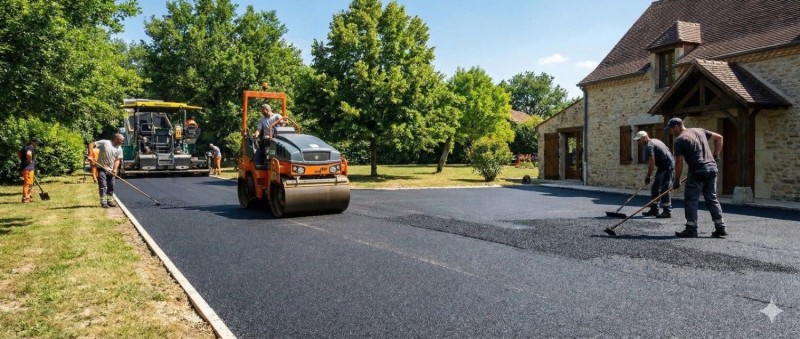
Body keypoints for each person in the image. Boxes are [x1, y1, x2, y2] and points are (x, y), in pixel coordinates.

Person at [665, 117, 727, 238]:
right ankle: (720, 227)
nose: (671, 132)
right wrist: (715, 155)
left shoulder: (680, 140)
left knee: (691, 199)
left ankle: (691, 228)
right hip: (712, 168)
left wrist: (676, 179)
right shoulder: (700, 130)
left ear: (676, 127)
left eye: (671, 129)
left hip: (697, 170)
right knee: (712, 198)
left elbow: (679, 162)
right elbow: (719, 138)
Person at [633, 130, 675, 218]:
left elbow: (652, 163)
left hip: (667, 166)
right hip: (663, 166)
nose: (638, 142)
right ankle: (654, 209)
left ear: (645, 138)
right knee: (655, 188)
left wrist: (648, 176)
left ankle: (667, 211)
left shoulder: (649, 146)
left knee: (665, 188)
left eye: (639, 140)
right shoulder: (655, 141)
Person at [88, 133, 125, 208]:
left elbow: (117, 160)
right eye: (121, 140)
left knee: (111, 185)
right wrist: (90, 155)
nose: (122, 142)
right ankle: (104, 202)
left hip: (111, 170)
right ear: (116, 139)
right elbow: (91, 144)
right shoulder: (105, 143)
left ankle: (109, 200)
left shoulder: (119, 149)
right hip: (101, 168)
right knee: (103, 185)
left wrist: (115, 169)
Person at [18, 137, 40, 203]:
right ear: (32, 142)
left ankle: (29, 196)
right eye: (37, 143)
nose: (37, 144)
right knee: (28, 183)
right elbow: (28, 153)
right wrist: (29, 160)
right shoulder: (30, 148)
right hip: (28, 168)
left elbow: (19, 153)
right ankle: (25, 198)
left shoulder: (24, 147)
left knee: (30, 183)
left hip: (27, 168)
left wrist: (22, 160)